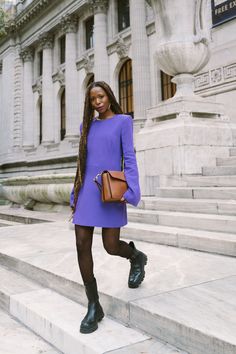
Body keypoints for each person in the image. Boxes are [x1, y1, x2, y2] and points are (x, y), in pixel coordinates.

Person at [70, 81, 147, 334]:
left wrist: (131, 189)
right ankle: (93, 305)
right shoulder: (86, 126)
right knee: (82, 243)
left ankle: (136, 257)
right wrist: (75, 193)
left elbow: (130, 157)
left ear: (108, 96)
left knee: (111, 246)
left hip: (110, 190)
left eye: (100, 96)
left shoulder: (123, 121)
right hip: (87, 191)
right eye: (93, 99)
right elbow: (82, 162)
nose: (97, 102)